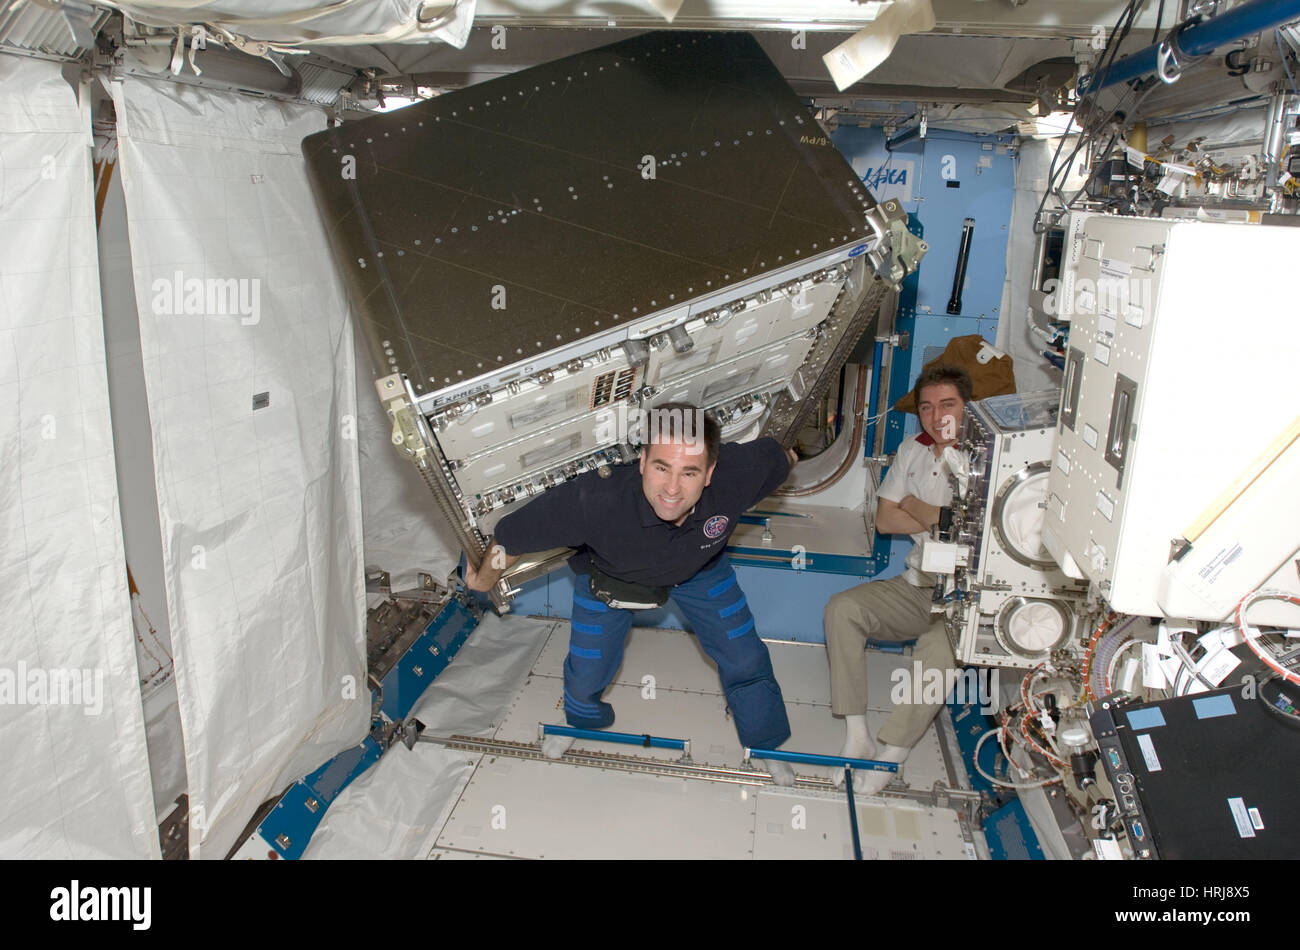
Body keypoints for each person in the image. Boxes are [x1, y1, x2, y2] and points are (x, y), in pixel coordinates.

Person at [465, 402, 799, 784]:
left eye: (689, 472)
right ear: (641, 462)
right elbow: (510, 537)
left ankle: (766, 743)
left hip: (699, 572)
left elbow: (783, 456)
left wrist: (790, 457)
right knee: (587, 669)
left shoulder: (740, 474)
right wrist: (483, 582)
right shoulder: (593, 499)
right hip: (611, 579)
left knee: (744, 653)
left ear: (710, 473)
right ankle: (580, 723)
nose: (672, 489)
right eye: (661, 468)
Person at [823, 365, 969, 794]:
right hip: (916, 586)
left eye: (948, 404)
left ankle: (892, 756)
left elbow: (960, 528)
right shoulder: (913, 448)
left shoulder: (987, 461)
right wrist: (933, 515)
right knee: (842, 609)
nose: (935, 415)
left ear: (968, 409)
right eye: (926, 407)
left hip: (963, 599)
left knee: (939, 651)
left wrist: (914, 503)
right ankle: (857, 736)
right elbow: (886, 521)